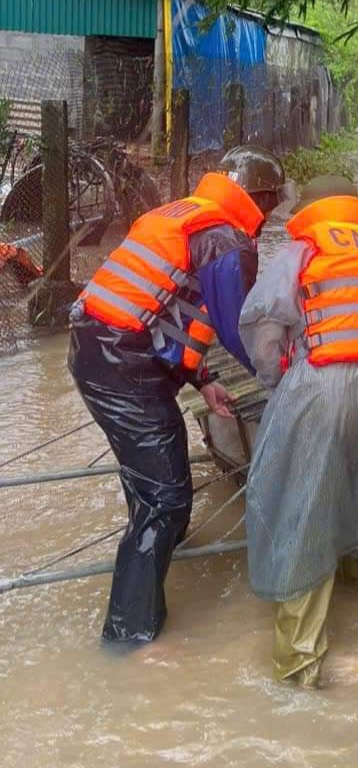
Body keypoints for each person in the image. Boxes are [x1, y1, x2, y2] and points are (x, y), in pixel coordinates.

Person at [68, 145, 289, 643]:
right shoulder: (224, 239)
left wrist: (204, 379)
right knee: (166, 499)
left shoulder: (185, 215)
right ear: (261, 197)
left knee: (153, 481)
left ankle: (152, 563)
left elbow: (167, 313)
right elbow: (241, 328)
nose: (273, 215)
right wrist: (286, 376)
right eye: (273, 203)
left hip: (102, 351)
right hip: (122, 364)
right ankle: (129, 638)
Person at [238, 175, 358, 688]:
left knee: (305, 506)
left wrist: (280, 383)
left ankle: (298, 668)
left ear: (315, 210)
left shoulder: (305, 247)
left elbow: (262, 324)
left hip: (329, 384)